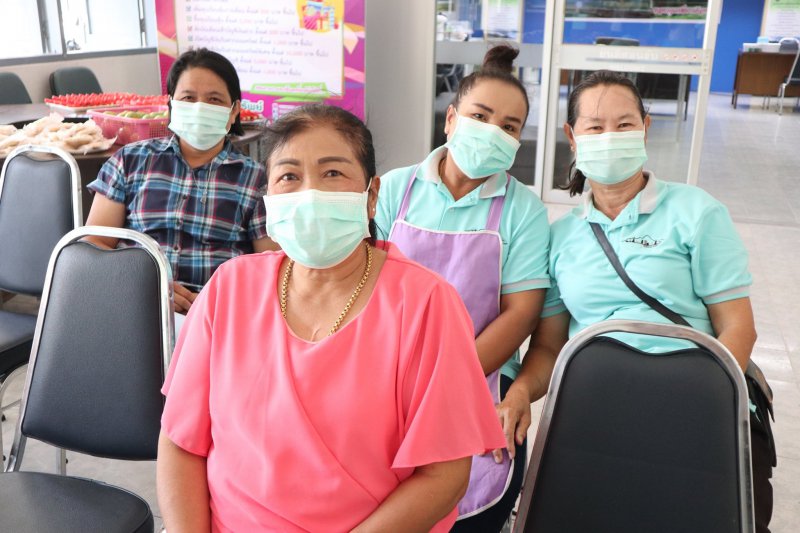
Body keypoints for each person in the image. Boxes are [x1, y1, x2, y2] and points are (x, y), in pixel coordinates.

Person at [156, 104, 506, 533]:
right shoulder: (229, 289)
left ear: (371, 195)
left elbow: (444, 475)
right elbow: (181, 442)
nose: (310, 194)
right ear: (268, 199)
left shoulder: (426, 305)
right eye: (289, 176)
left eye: (333, 173)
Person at [496, 70, 775, 533]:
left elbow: (738, 327)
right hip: (597, 410)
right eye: (595, 126)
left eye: (624, 124)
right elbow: (548, 346)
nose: (610, 136)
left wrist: (704, 407)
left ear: (645, 127)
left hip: (697, 404)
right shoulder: (561, 236)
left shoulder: (696, 212)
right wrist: (522, 391)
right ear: (572, 137)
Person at [374, 44, 550, 532]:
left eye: (509, 127)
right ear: (450, 120)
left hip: (479, 379)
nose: (493, 132)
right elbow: (367, 283)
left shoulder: (524, 211)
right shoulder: (395, 189)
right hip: (385, 372)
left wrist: (448, 381)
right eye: (480, 116)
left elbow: (521, 313)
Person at [85, 48, 275, 316]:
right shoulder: (130, 161)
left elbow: (270, 268)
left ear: (234, 112)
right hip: (134, 307)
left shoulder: (256, 180)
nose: (200, 108)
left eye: (214, 99)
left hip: (217, 316)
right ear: (172, 104)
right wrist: (147, 286)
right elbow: (93, 246)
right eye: (188, 98)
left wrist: (217, 304)